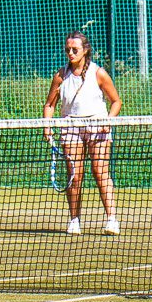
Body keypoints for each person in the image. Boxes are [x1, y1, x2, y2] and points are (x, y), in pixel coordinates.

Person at [43, 30, 122, 236]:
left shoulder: (99, 73)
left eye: (74, 49)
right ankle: (74, 220)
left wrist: (108, 121)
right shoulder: (60, 76)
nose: (70, 53)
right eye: (67, 49)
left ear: (85, 50)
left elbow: (116, 101)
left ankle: (112, 220)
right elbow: (50, 105)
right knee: (74, 176)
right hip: (70, 127)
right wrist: (47, 126)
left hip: (98, 126)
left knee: (100, 172)